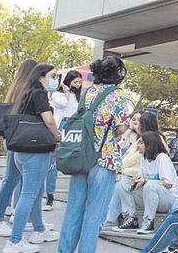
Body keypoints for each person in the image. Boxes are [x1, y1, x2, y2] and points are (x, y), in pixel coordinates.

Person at [57, 56, 134, 253]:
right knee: (94, 214)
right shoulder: (119, 96)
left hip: (81, 155)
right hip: (104, 158)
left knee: (74, 209)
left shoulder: (88, 92)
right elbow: (121, 128)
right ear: (118, 74)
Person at [3, 63, 62, 253]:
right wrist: (57, 135)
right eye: (53, 76)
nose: (56, 80)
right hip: (36, 151)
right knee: (29, 195)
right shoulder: (39, 94)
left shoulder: (26, 93)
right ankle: (14, 241)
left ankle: (39, 229)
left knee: (36, 193)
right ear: (41, 77)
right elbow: (49, 120)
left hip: (22, 150)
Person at [0, 59, 39, 237]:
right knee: (14, 181)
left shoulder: (15, 87)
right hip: (19, 138)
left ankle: (3, 218)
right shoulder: (27, 90)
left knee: (11, 180)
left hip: (11, 137)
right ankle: (0, 220)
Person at [115, 131, 178, 235]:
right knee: (123, 184)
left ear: (150, 144)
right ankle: (130, 219)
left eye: (141, 143)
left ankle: (148, 221)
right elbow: (142, 180)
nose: (138, 145)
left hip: (169, 199)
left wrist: (146, 181)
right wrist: (135, 182)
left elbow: (168, 183)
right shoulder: (144, 159)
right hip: (151, 197)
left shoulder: (162, 158)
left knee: (150, 185)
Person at [42, 70, 82, 211]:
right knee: (53, 164)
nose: (77, 85)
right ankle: (50, 196)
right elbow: (63, 104)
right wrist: (66, 93)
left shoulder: (80, 97)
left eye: (79, 82)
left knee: (75, 161)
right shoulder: (56, 94)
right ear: (68, 81)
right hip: (62, 126)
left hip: (75, 128)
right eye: (75, 81)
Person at [103, 110, 143, 228]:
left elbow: (135, 160)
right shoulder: (128, 135)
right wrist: (129, 131)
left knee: (119, 182)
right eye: (133, 119)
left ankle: (110, 219)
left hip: (135, 171)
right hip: (123, 168)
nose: (135, 122)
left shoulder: (146, 138)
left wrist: (120, 170)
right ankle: (106, 217)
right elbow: (117, 148)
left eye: (139, 120)